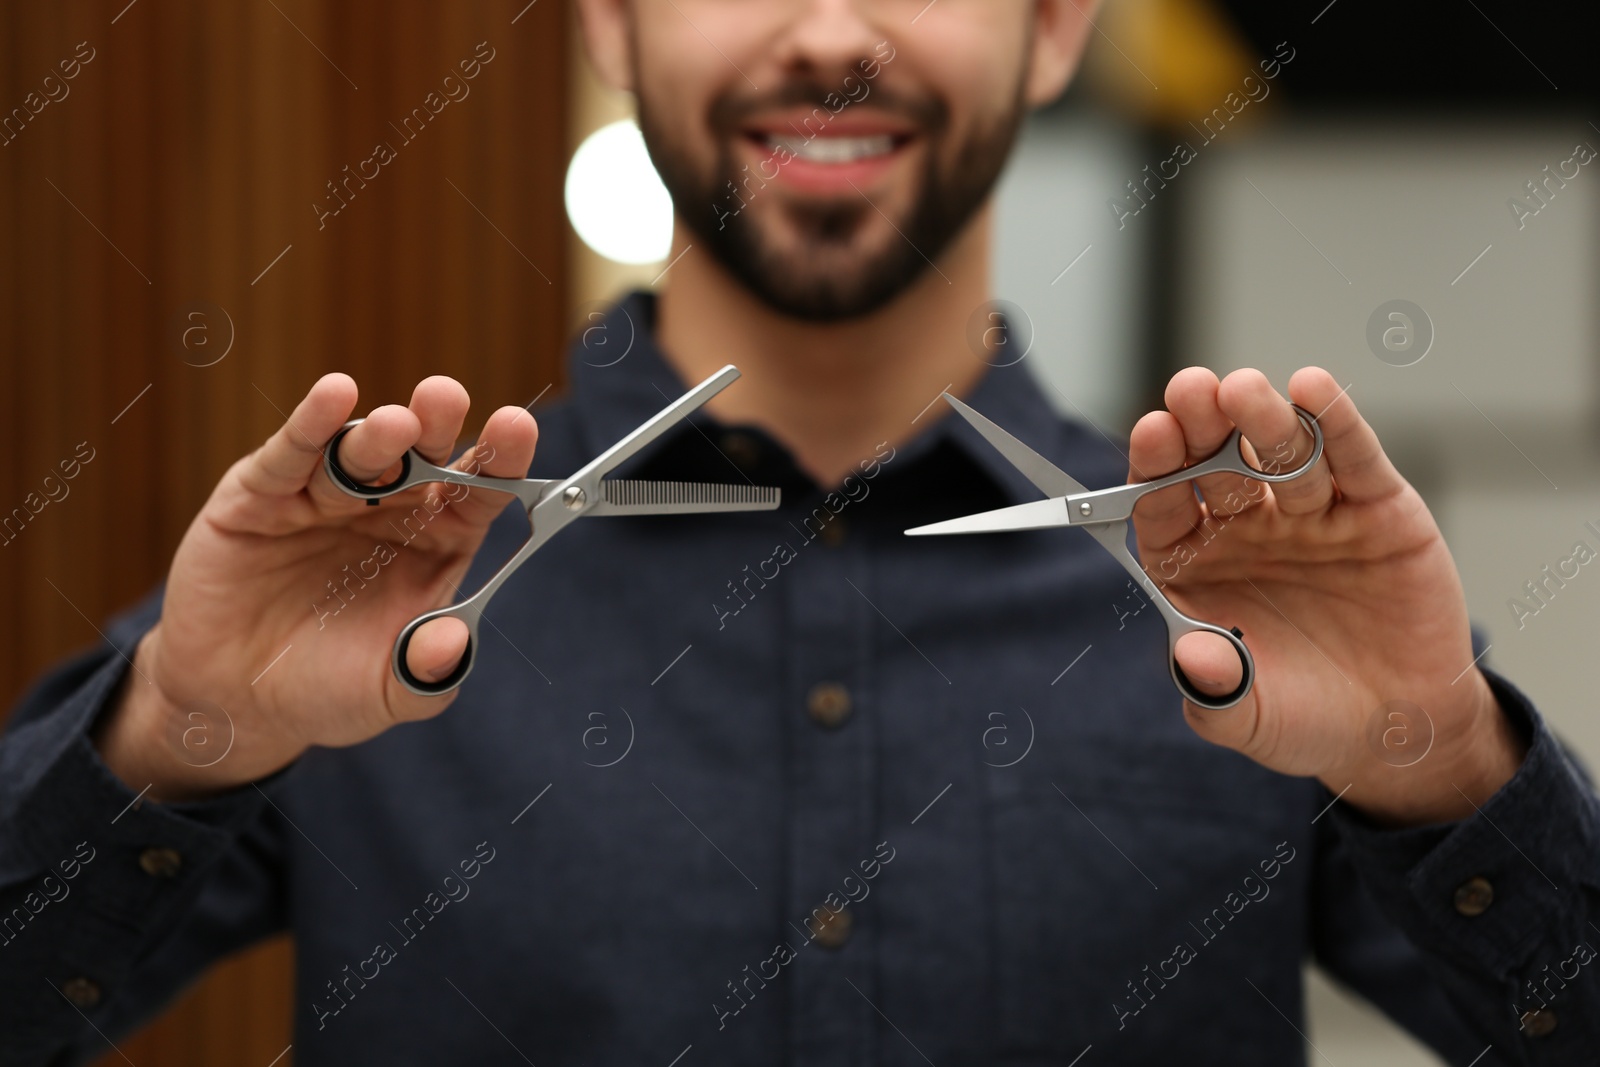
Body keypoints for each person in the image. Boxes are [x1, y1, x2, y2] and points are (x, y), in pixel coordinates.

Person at [3, 1, 1596, 1063]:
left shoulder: (1251, 592)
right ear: (614, 21)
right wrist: (175, 735)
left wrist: (1440, 759)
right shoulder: (371, 580)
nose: (831, 33)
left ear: (1053, 27)